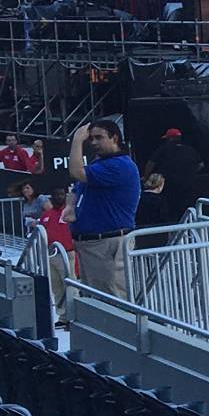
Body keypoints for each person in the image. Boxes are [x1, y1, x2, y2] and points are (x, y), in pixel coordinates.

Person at [66, 118, 140, 297]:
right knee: (96, 298)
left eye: (99, 137)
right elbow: (76, 187)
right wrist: (70, 206)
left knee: (109, 300)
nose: (93, 143)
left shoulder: (119, 165)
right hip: (94, 244)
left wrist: (77, 140)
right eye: (91, 139)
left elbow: (76, 172)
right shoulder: (100, 163)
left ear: (114, 138)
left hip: (107, 243)